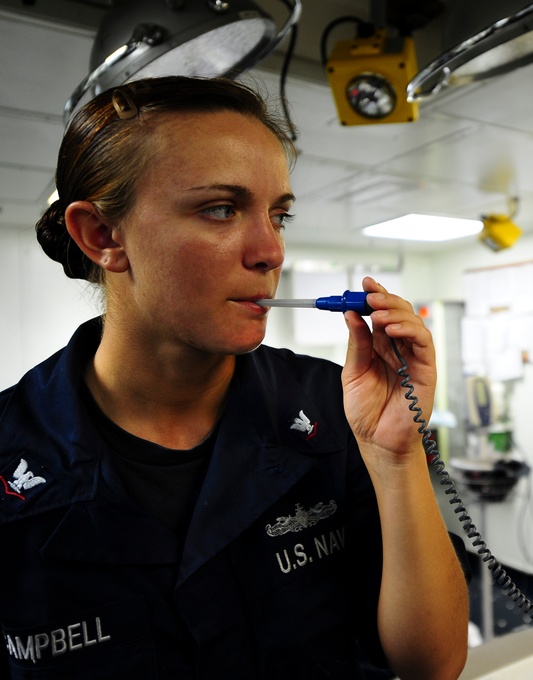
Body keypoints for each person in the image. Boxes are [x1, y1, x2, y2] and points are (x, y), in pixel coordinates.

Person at [0, 76, 468, 679]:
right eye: (220, 209)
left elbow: (433, 664)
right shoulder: (13, 450)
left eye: (278, 215)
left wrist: (396, 460)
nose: (270, 250)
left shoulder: (335, 408)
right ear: (103, 236)